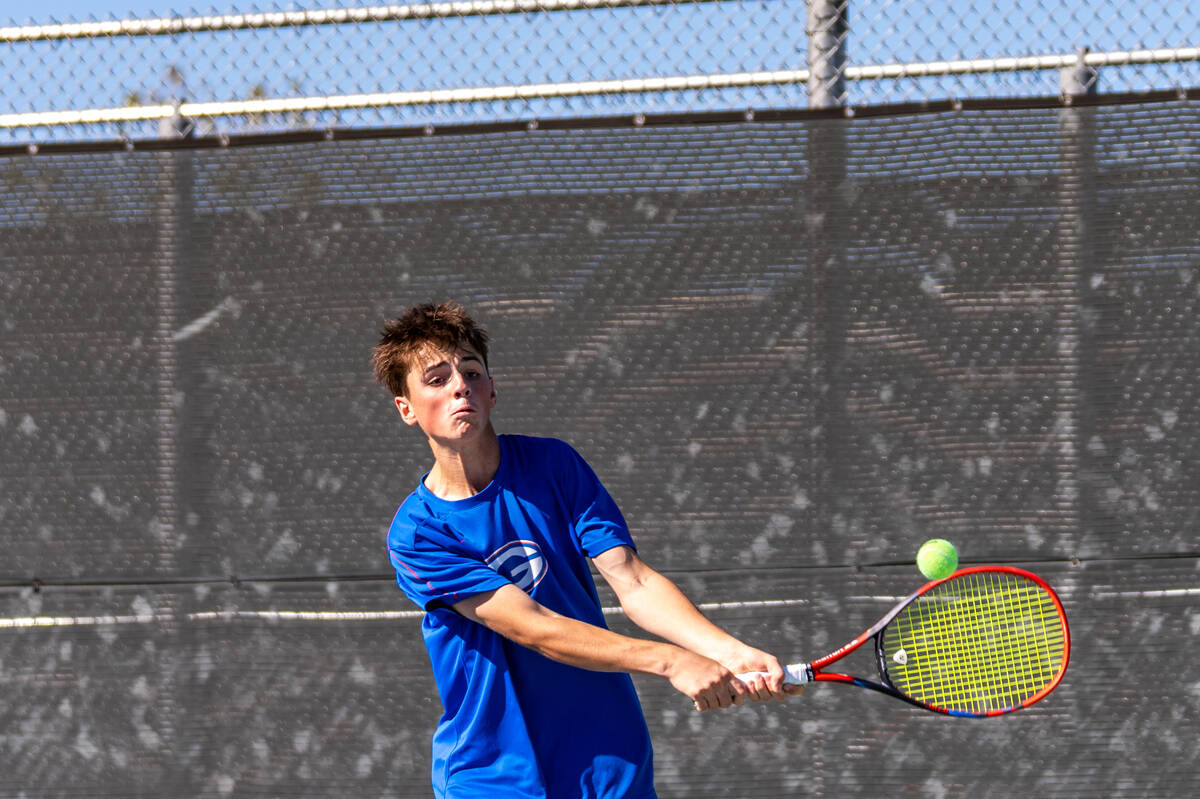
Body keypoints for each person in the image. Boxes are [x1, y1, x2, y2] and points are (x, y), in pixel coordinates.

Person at [372, 302, 799, 799]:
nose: (459, 386)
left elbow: (633, 580)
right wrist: (672, 661)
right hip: (491, 775)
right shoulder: (418, 534)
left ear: (492, 389)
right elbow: (533, 626)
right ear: (406, 407)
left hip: (610, 761)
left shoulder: (554, 465)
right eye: (437, 378)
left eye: (470, 371)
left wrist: (729, 652)